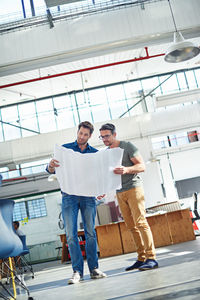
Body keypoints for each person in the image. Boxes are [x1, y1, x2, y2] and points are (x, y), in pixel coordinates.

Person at [47, 121, 106, 284]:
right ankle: (77, 272)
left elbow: (100, 175)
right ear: (77, 132)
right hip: (69, 196)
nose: (82, 137)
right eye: (80, 133)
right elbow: (50, 170)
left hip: (88, 196)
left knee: (90, 233)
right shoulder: (64, 150)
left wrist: (101, 188)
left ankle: (94, 269)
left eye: (85, 135)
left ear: (90, 136)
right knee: (71, 235)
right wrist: (51, 165)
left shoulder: (95, 153)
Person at [99, 123, 158, 271]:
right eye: (102, 136)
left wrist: (126, 169)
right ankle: (141, 258)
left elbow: (142, 166)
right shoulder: (106, 153)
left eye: (107, 135)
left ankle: (151, 258)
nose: (104, 139)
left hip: (134, 188)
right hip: (120, 192)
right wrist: (103, 190)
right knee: (131, 226)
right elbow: (108, 175)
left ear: (114, 134)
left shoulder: (127, 146)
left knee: (140, 223)